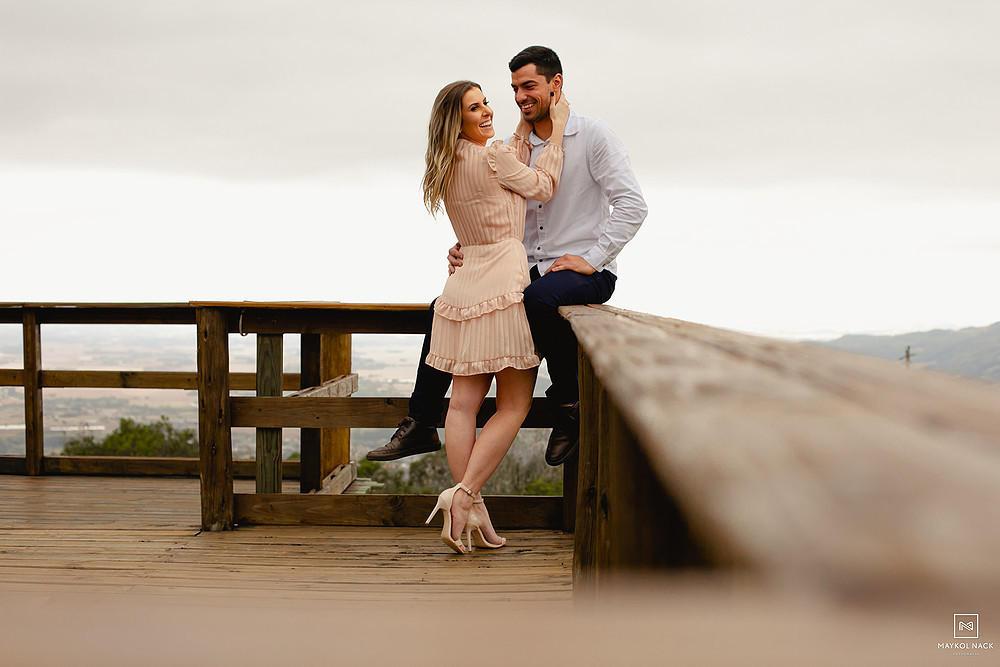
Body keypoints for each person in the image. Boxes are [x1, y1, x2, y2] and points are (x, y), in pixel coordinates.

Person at [368, 45, 646, 467]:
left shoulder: (592, 135)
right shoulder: (511, 147)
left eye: (529, 85)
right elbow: (493, 208)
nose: (519, 96)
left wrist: (594, 257)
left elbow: (632, 205)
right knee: (443, 308)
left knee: (541, 299)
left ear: (556, 85)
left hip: (581, 270)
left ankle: (569, 407)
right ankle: (420, 420)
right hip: (520, 270)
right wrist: (470, 246)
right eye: (514, 87)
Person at [420, 80, 570, 553]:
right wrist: (558, 128)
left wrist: (522, 130)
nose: (487, 112)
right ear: (456, 119)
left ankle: (471, 503)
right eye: (475, 107)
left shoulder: (446, 165)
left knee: (461, 406)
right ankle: (464, 495)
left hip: (463, 287)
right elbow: (542, 185)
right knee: (514, 405)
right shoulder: (493, 156)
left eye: (486, 103)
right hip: (504, 281)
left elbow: (504, 162)